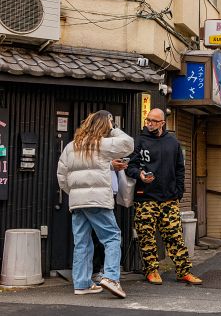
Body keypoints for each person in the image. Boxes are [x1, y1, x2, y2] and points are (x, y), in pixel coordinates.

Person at [57, 110, 134, 298]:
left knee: (82, 242)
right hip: (98, 200)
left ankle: (82, 284)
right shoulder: (101, 144)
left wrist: (75, 194)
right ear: (104, 125)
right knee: (112, 237)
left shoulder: (71, 146)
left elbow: (62, 176)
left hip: (77, 203)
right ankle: (111, 278)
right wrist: (114, 128)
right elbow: (128, 144)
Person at [126, 108, 202, 285]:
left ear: (162, 123)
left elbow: (180, 170)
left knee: (175, 236)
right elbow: (130, 166)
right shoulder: (139, 141)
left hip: (169, 199)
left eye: (154, 121)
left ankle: (183, 271)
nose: (150, 123)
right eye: (148, 120)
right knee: (147, 236)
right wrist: (140, 175)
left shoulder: (173, 143)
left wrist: (178, 192)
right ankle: (151, 270)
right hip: (145, 197)